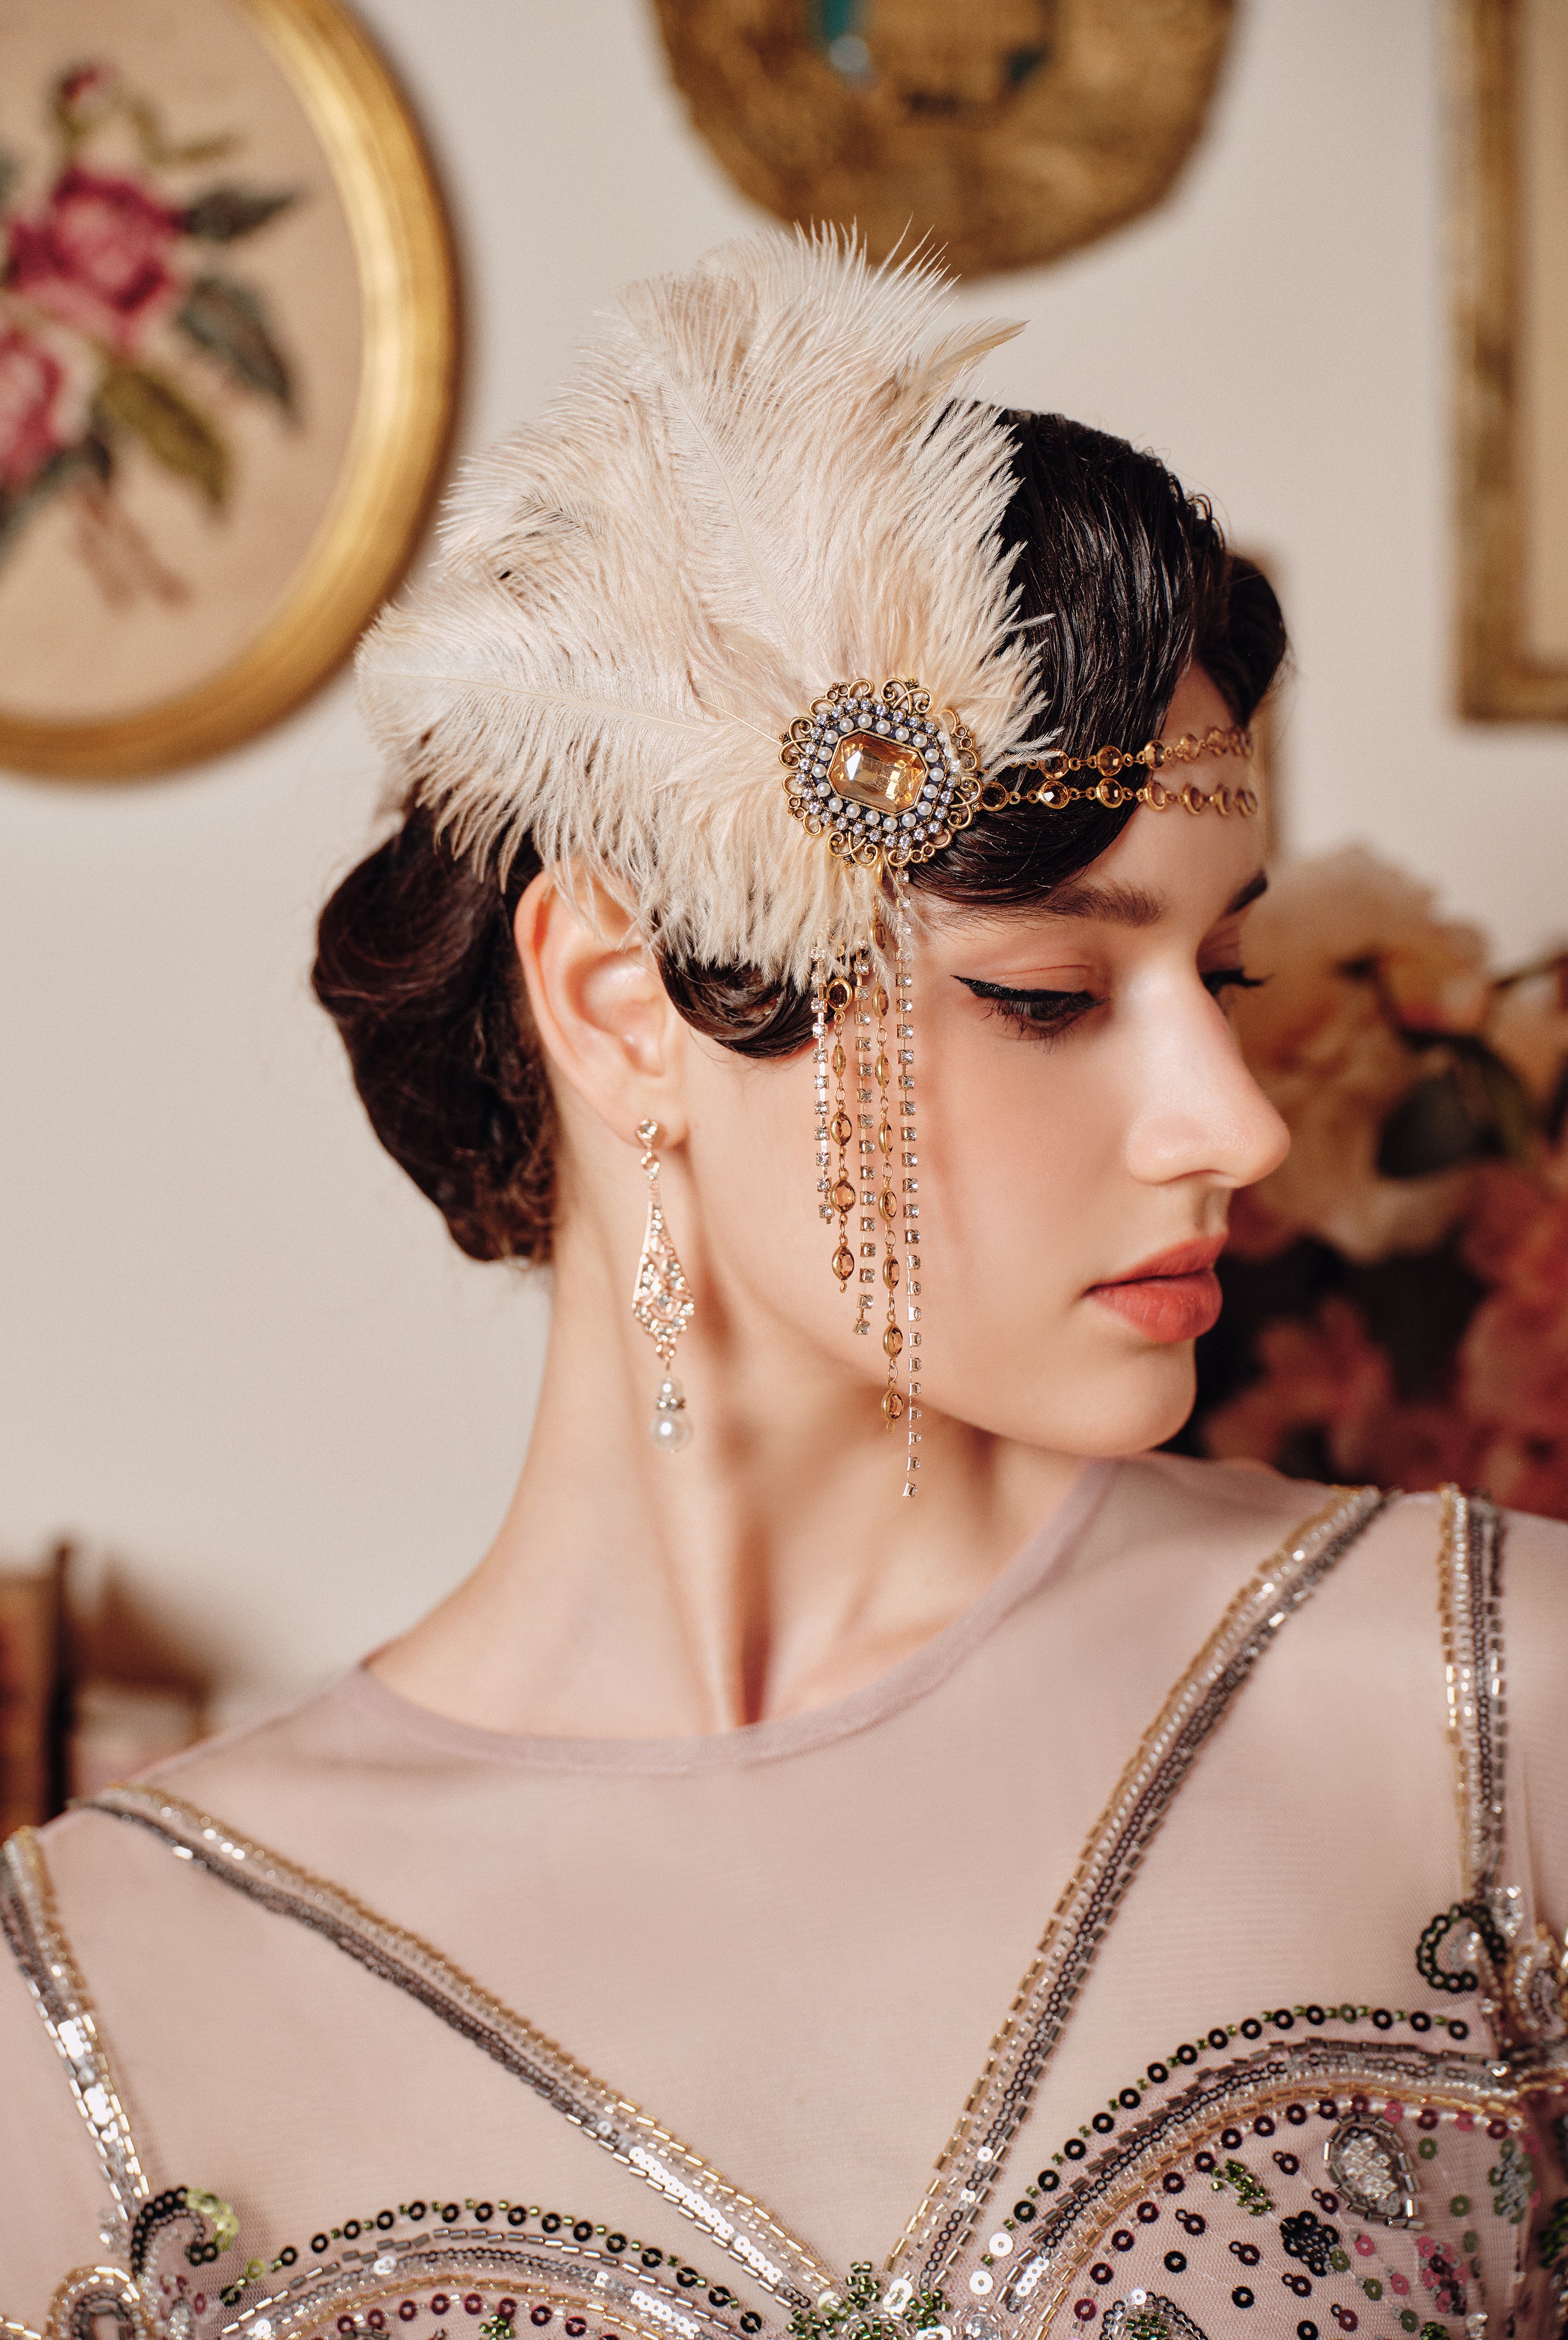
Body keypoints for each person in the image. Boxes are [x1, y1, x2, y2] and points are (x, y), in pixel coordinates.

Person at [3, 233, 1565, 2340]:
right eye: (1047, 993)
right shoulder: (98, 2014)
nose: (1235, 1121)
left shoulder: (1490, 1714)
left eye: (1225, 973)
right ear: (619, 1004)